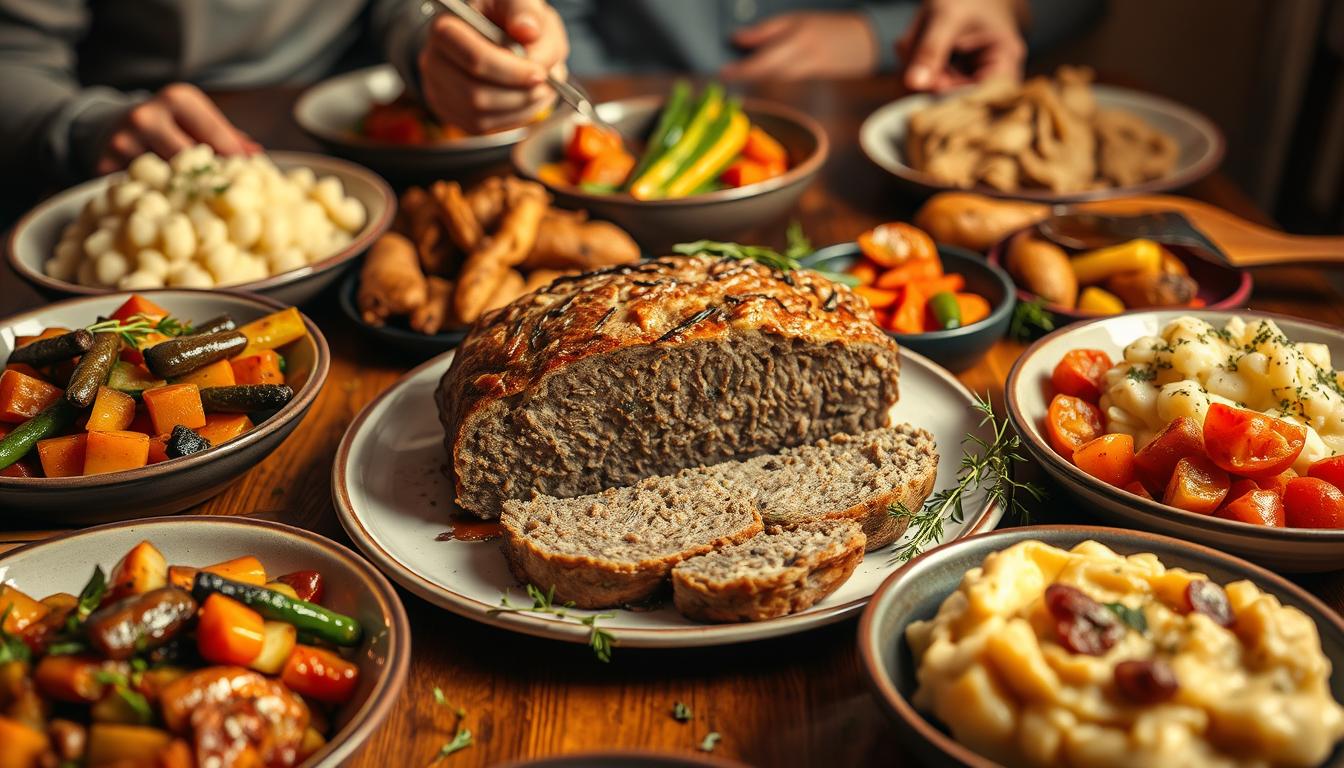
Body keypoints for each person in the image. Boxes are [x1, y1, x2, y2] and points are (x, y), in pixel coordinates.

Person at [0, 0, 1096, 186]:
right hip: (119, 165)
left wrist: (446, 37)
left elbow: (407, 9)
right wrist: (80, 121)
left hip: (361, 155)